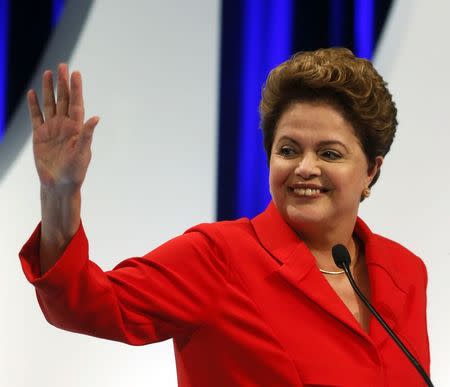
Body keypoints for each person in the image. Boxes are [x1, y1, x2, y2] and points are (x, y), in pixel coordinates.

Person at [20, 48, 430, 386]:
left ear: (371, 171)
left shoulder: (405, 272)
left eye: (329, 153)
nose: (305, 167)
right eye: (288, 150)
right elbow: (84, 304)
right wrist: (60, 193)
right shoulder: (217, 257)